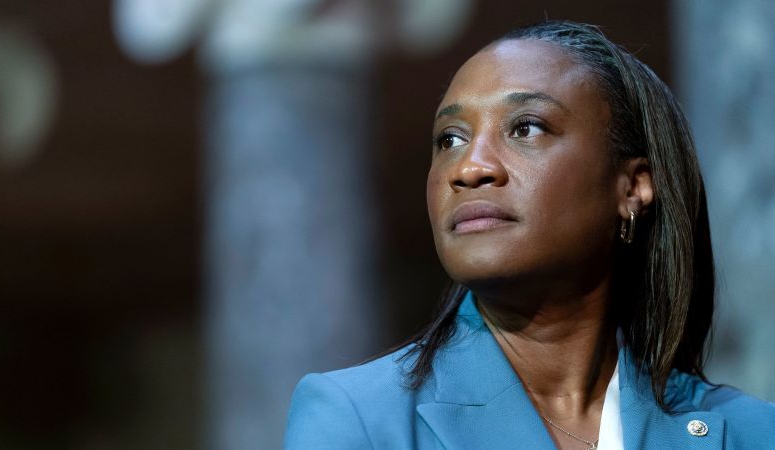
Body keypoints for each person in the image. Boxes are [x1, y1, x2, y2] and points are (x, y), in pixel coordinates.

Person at [283, 21, 775, 449]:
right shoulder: (357, 418)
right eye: (450, 139)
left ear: (633, 187)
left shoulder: (750, 432)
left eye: (526, 128)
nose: (470, 168)